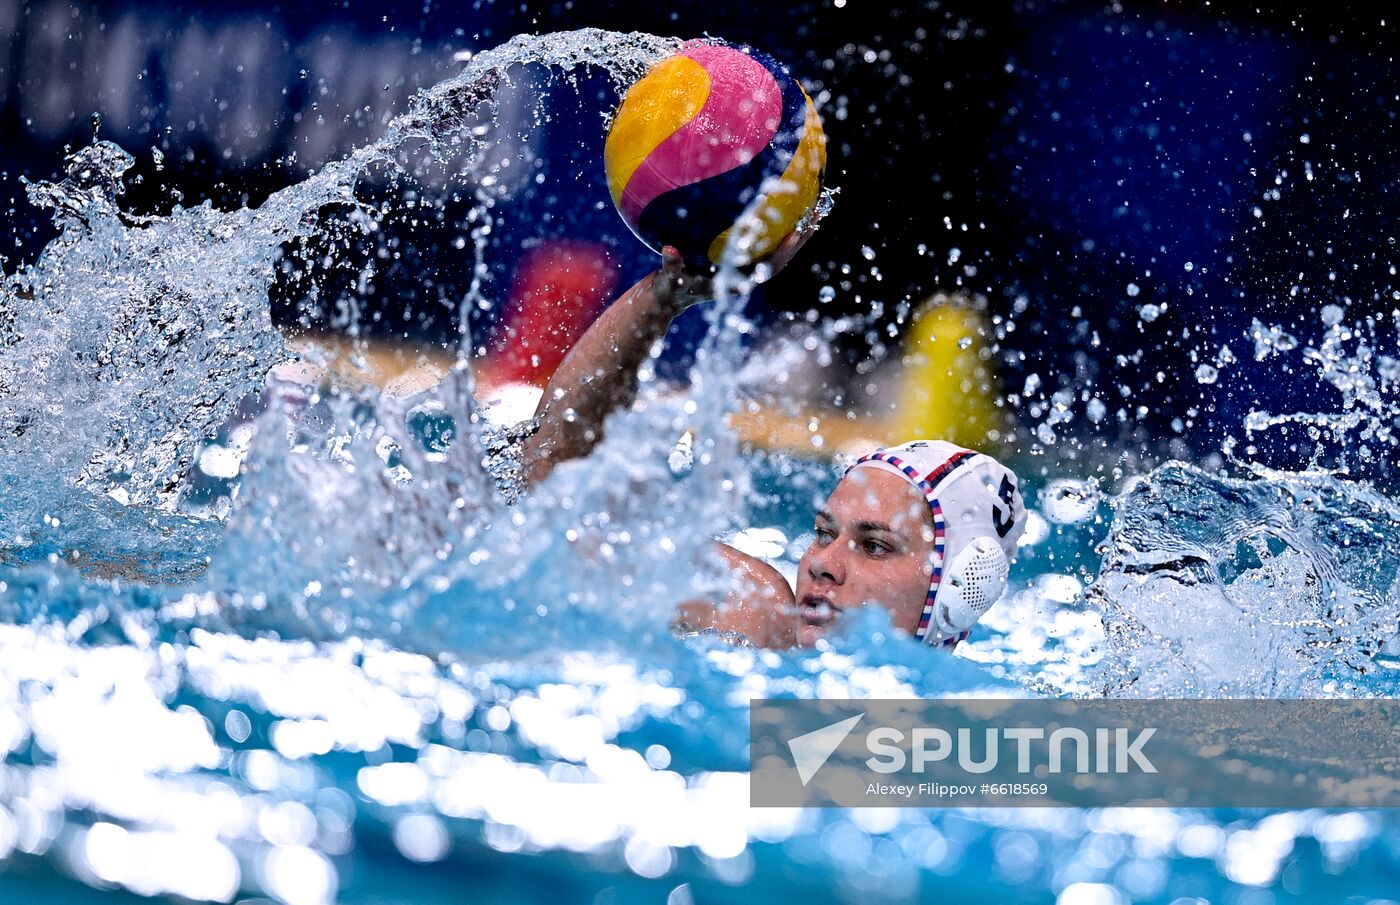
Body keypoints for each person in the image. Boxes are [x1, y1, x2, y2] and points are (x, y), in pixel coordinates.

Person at [516, 231, 1026, 649]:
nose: (822, 564)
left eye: (873, 546)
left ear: (960, 588)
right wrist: (660, 299)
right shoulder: (754, 617)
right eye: (825, 534)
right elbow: (556, 500)